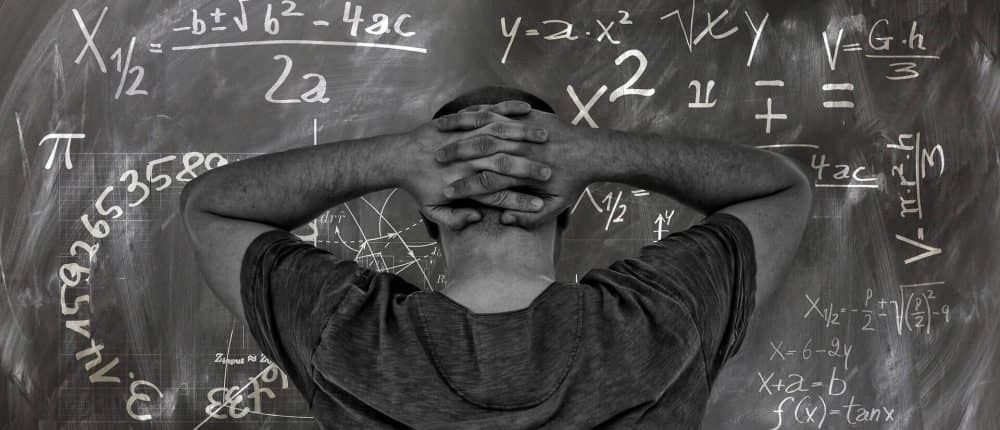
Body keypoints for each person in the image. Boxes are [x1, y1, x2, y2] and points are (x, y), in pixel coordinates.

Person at [180, 85, 811, 428]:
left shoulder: (345, 334)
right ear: (564, 210)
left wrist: (394, 158)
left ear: (429, 217)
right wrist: (597, 153)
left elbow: (211, 207)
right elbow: (781, 190)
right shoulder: (660, 322)